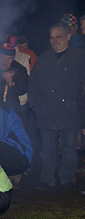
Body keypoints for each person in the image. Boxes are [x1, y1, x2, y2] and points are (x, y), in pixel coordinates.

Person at [28, 23, 85, 190]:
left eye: (58, 36)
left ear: (68, 36)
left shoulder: (80, 57)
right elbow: (33, 86)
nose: (54, 40)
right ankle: (47, 179)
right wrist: (36, 106)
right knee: (47, 148)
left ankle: (68, 179)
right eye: (51, 37)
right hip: (46, 113)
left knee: (69, 148)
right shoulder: (44, 59)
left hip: (70, 111)